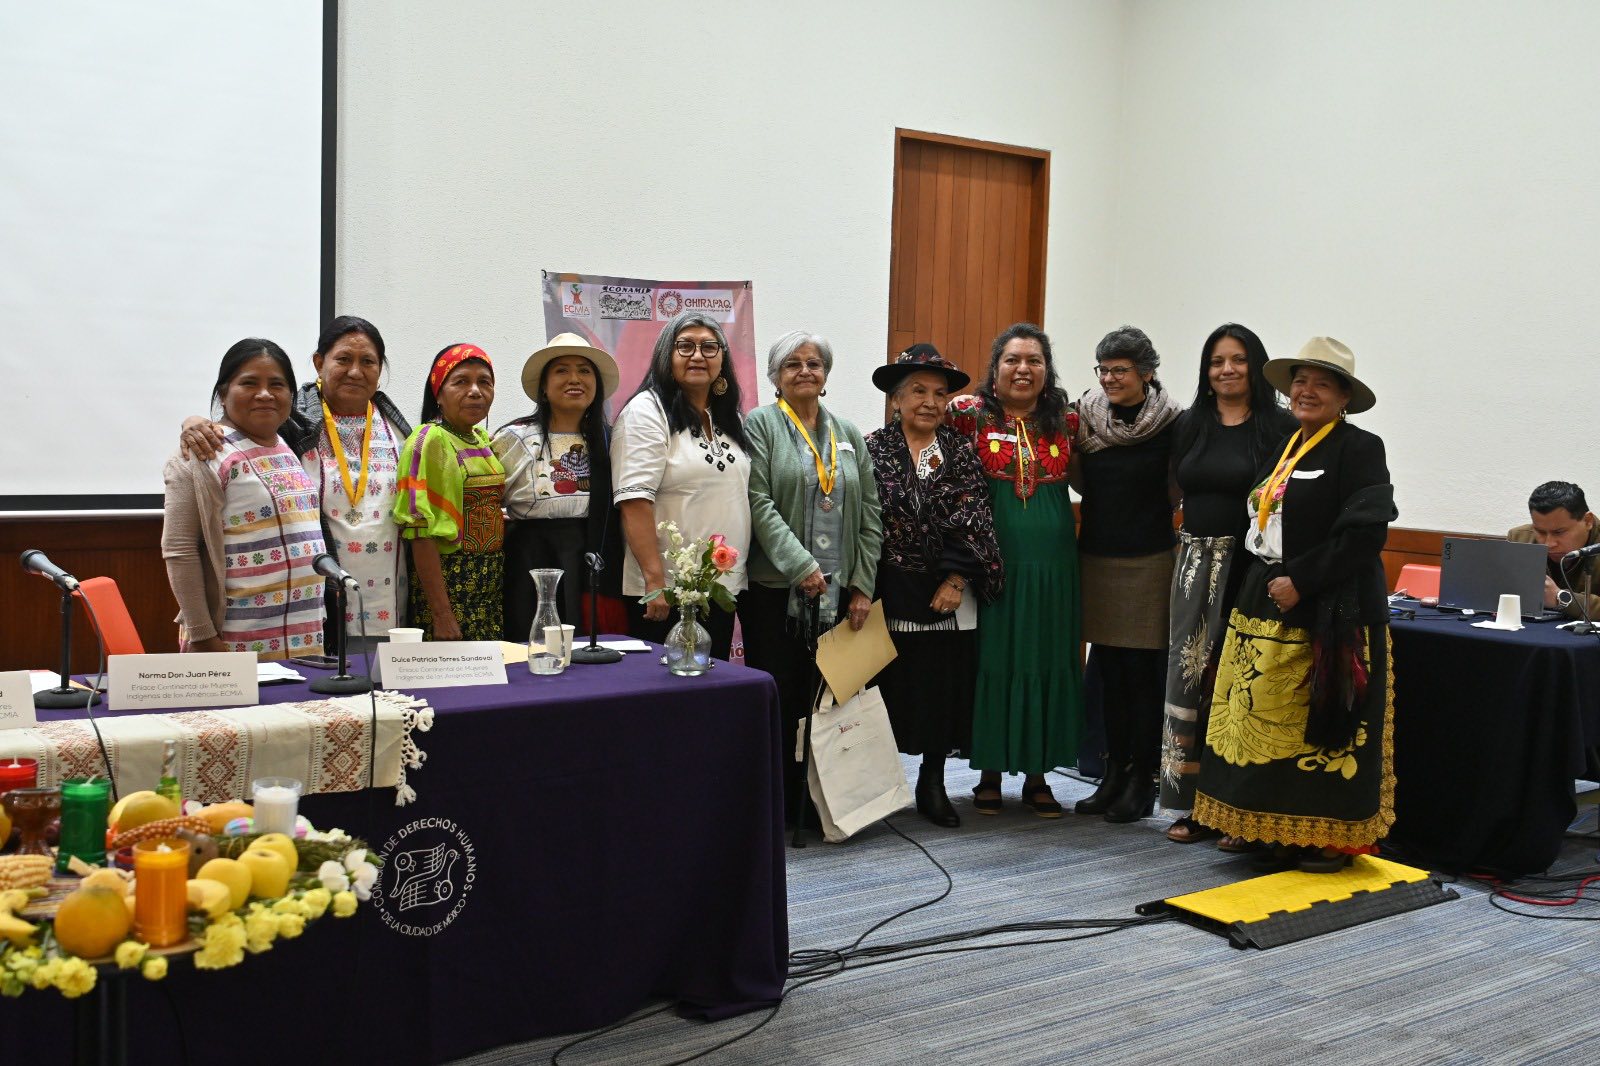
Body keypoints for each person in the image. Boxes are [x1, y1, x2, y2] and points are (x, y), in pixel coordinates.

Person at [1193, 337, 1397, 872]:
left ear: (1344, 397)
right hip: (1263, 600)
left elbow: (1365, 535)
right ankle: (1260, 823)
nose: (1306, 392)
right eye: (1300, 382)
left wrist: (1301, 580)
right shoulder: (1284, 446)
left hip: (1329, 609)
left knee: (1316, 721)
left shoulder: (1359, 448)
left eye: (1322, 384)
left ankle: (1326, 836)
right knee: (1258, 713)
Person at [179, 316, 413, 640]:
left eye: (368, 361)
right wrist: (193, 422)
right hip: (306, 605)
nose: (355, 371)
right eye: (343, 359)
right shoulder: (292, 421)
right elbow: (238, 424)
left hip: (386, 596)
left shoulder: (402, 429)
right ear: (319, 363)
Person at [1160, 324, 1298, 844]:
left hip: (1250, 569)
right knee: (1188, 682)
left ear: (1255, 365)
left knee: (1240, 685)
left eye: (1238, 359)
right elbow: (1174, 488)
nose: (1227, 370)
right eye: (1217, 361)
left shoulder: (1279, 426)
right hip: (1194, 566)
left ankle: (1237, 809)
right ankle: (1187, 805)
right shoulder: (1190, 423)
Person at [744, 330, 882, 825]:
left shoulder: (845, 430)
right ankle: (782, 806)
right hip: (776, 595)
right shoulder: (760, 425)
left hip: (841, 595)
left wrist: (864, 585)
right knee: (783, 699)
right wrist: (801, 566)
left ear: (825, 375)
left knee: (830, 703)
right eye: (793, 364)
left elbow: (869, 511)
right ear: (775, 376)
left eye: (815, 363)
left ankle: (829, 803)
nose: (805, 370)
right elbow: (757, 501)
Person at [947, 326, 1083, 818]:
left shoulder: (1069, 421)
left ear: (1047, 370)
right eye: (1012, 359)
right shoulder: (966, 414)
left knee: (1045, 657)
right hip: (993, 562)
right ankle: (987, 772)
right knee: (995, 658)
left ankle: (1039, 774)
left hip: (1054, 564)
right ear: (995, 367)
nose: (1023, 368)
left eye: (1034, 360)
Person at [868, 346, 1004, 826]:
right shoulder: (871, 449)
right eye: (918, 392)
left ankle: (933, 782)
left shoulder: (960, 451)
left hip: (947, 595)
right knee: (885, 690)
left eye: (939, 393)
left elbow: (975, 518)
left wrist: (955, 579)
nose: (930, 401)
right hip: (888, 591)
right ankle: (875, 791)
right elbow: (863, 523)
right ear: (896, 400)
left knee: (940, 691)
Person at [1072, 326, 1183, 823]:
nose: (1111, 378)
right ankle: (1112, 773)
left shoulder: (1172, 423)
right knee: (1109, 672)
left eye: (1121, 370)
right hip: (1097, 556)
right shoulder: (1087, 417)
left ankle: (1143, 779)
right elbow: (1076, 477)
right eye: (1104, 369)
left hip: (1149, 560)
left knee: (1142, 675)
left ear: (1147, 373)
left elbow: (1177, 490)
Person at [162, 338, 327, 659]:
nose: (265, 394)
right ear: (223, 394)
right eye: (249, 383)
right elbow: (179, 550)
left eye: (277, 384)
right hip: (232, 642)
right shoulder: (200, 455)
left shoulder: (285, 446)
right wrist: (202, 634)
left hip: (303, 638)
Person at [612, 311, 751, 659]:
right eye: (685, 346)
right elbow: (634, 500)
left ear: (723, 358)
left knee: (708, 694)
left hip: (718, 589)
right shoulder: (647, 411)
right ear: (666, 357)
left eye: (709, 347)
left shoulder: (726, 418)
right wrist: (655, 583)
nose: (698, 355)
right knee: (665, 699)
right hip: (668, 593)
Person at [492, 333, 626, 640]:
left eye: (584, 370)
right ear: (544, 385)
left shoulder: (611, 440)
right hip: (528, 555)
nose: (574, 379)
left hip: (589, 554)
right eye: (562, 370)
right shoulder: (515, 438)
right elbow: (486, 498)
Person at [393, 343, 506, 641]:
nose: (475, 391)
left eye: (485, 382)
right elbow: (419, 531)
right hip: (451, 580)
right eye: (460, 382)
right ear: (438, 394)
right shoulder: (429, 440)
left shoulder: (482, 439)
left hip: (488, 578)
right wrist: (442, 614)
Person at [1508, 481, 1600, 621]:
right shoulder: (1520, 538)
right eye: (1540, 531)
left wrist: (1560, 597)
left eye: (1559, 532)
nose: (1549, 544)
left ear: (1587, 521)